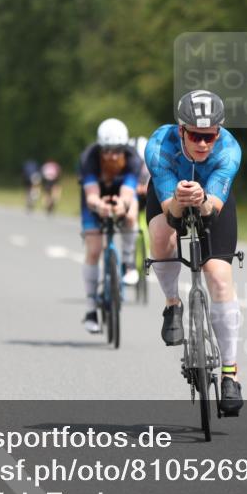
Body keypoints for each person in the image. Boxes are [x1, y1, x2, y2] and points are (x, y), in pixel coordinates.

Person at [144, 90, 244, 415]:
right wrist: (178, 197)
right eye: (196, 136)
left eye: (209, 136)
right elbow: (171, 215)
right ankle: (172, 304)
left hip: (211, 199)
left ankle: (230, 374)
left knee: (219, 276)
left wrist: (200, 199)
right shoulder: (159, 146)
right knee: (161, 233)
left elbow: (212, 210)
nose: (203, 144)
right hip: (170, 194)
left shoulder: (228, 150)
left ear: (219, 132)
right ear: (181, 130)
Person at [78, 118, 143, 333]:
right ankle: (90, 310)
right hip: (95, 199)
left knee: (131, 214)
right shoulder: (89, 158)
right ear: (100, 148)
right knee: (94, 249)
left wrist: (121, 206)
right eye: (107, 150)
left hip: (120, 195)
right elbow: (91, 196)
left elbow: (128, 192)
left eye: (118, 150)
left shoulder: (133, 159)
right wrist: (99, 206)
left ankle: (128, 262)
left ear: (125, 148)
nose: (112, 156)